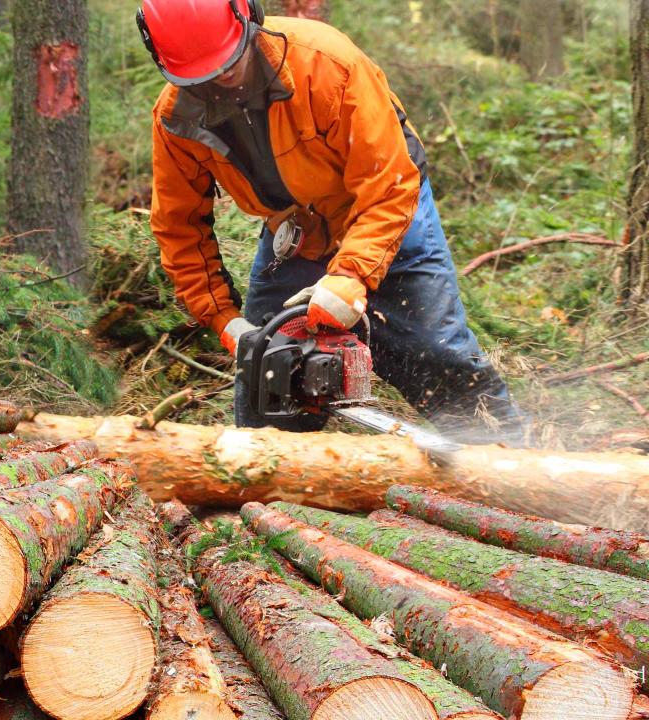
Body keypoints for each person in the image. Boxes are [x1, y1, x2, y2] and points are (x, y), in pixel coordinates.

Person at [137, 0, 528, 444]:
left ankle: (511, 459)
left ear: (251, 19)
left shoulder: (326, 65)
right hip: (297, 232)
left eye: (226, 64)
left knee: (434, 350)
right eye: (200, 75)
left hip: (385, 206)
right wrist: (224, 319)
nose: (217, 81)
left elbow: (389, 183)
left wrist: (350, 277)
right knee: (267, 367)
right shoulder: (176, 118)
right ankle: (275, 494)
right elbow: (178, 226)